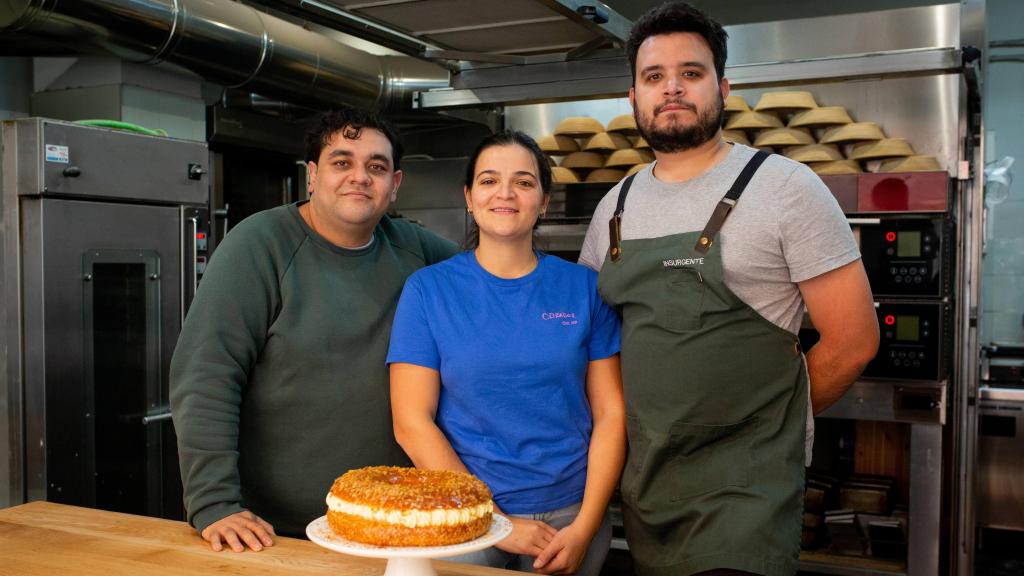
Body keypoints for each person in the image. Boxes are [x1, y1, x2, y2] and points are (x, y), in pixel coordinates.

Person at [577, 3, 880, 575]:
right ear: (634, 98)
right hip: (646, 482)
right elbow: (598, 344)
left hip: (745, 492)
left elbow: (853, 341)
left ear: (724, 86)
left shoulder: (787, 188)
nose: (672, 89)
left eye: (691, 73)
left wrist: (769, 428)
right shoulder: (613, 207)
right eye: (653, 77)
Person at [169, 107, 458, 552]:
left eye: (376, 167)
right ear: (312, 175)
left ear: (394, 185)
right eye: (342, 162)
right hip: (275, 533)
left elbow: (494, 280)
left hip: (393, 527)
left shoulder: (417, 249)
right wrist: (213, 501)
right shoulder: (259, 245)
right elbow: (206, 376)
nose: (359, 177)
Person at [387, 131, 626, 576]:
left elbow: (611, 414)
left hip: (571, 518)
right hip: (466, 516)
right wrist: (492, 519)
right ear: (469, 197)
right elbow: (411, 423)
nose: (505, 193)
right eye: (489, 180)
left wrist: (589, 523)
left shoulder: (583, 289)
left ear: (543, 199)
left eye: (523, 181)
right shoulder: (428, 290)